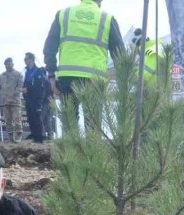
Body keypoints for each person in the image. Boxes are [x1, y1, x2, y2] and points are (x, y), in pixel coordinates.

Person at [43, 0, 125, 129]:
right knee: (93, 127)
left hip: (68, 78)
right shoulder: (107, 19)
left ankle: (70, 148)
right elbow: (120, 54)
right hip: (94, 80)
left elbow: (49, 47)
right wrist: (123, 84)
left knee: (70, 127)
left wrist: (52, 76)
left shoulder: (64, 14)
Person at [23, 52, 50, 143]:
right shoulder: (26, 71)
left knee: (37, 119)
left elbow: (40, 87)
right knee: (30, 119)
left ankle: (39, 139)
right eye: (24, 59)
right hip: (28, 99)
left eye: (26, 59)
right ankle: (34, 137)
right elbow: (25, 84)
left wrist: (28, 89)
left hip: (37, 99)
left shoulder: (38, 71)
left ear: (31, 59)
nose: (25, 60)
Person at [0, 58, 24, 142]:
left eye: (10, 63)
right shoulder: (2, 76)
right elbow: (0, 88)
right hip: (5, 101)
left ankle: (19, 135)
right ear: (5, 65)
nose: (8, 65)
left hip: (15, 101)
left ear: (13, 64)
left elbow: (20, 86)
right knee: (7, 120)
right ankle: (11, 137)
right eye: (6, 64)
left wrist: (15, 93)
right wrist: (1, 95)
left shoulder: (18, 74)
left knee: (17, 118)